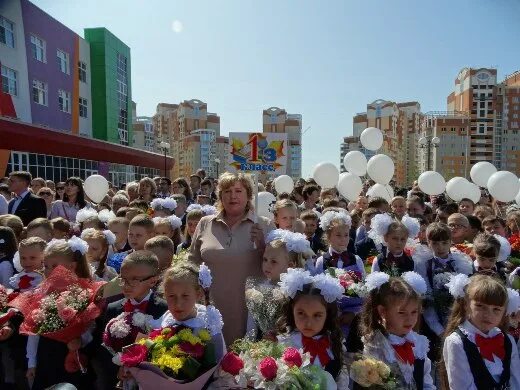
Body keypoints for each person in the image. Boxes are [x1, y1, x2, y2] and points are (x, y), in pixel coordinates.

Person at [187, 172, 274, 344]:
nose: (232, 196)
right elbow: (192, 262)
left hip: (248, 309)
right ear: (220, 196)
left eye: (238, 191)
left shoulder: (264, 224)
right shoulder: (205, 223)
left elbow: (277, 265)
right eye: (227, 191)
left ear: (249, 195)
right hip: (210, 305)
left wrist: (262, 244)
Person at [26, 237, 94, 389]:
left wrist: (81, 340)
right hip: (46, 353)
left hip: (71, 354)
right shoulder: (41, 292)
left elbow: (90, 325)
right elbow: (33, 331)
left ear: (71, 266)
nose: (48, 270)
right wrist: (31, 362)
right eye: (46, 265)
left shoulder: (83, 292)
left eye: (54, 266)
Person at [97, 251, 167, 389]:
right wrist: (117, 367)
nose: (126, 285)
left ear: (153, 280)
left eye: (134, 279)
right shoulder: (113, 308)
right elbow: (103, 348)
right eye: (123, 278)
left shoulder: (164, 310)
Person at [358, 272, 435, 389]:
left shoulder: (419, 343)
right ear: (383, 311)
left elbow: (426, 381)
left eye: (414, 312)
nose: (409, 319)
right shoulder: (375, 345)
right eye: (401, 313)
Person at [442, 274, 520, 389]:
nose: (488, 314)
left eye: (496, 309)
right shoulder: (457, 342)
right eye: (480, 306)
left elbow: (516, 381)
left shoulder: (508, 340)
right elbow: (462, 386)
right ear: (465, 305)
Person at [277, 269, 348, 385]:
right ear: (292, 310)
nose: (308, 323)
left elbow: (342, 381)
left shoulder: (334, 343)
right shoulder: (285, 343)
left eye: (317, 315)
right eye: (301, 313)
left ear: (327, 315)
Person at [147, 262, 226, 361]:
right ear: (165, 295)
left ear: (198, 294)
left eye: (185, 296)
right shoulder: (164, 321)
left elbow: (219, 360)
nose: (178, 304)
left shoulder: (208, 323)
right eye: (171, 296)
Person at [313, 210, 364, 277]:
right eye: (338, 235)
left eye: (346, 235)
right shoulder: (321, 261)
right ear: (328, 237)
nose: (343, 239)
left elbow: (364, 282)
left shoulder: (356, 260)